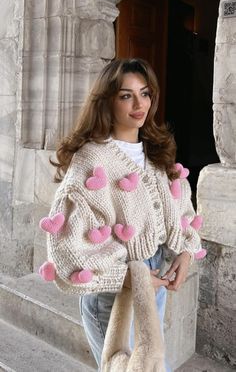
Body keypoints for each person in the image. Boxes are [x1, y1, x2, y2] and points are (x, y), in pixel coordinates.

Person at [41, 58, 202, 372]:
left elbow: (182, 209)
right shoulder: (91, 159)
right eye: (126, 95)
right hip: (112, 291)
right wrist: (131, 276)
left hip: (154, 281)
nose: (139, 104)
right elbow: (67, 245)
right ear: (107, 100)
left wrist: (186, 251)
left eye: (144, 93)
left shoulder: (156, 152)